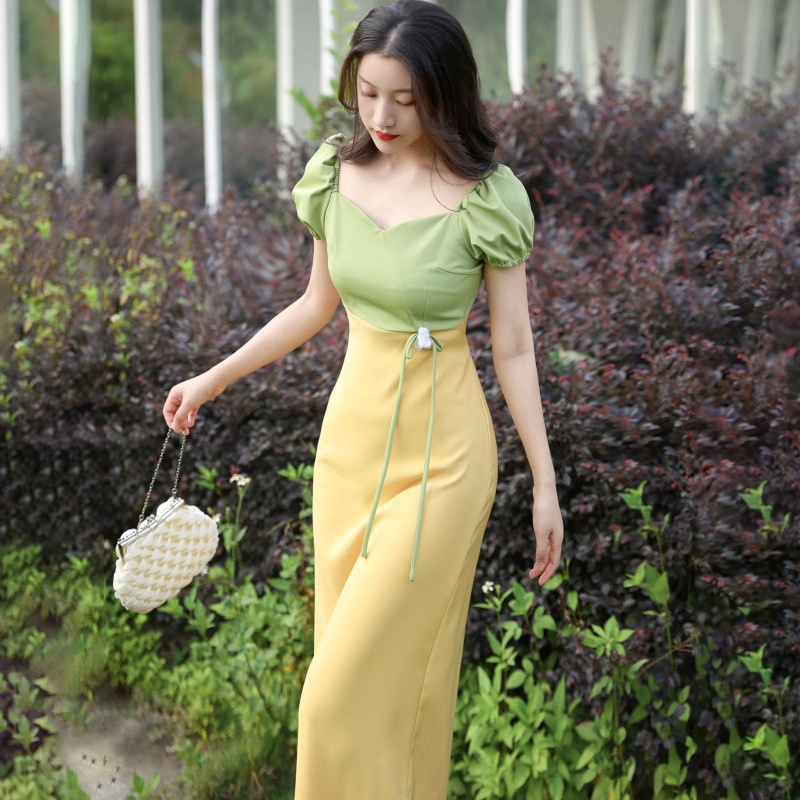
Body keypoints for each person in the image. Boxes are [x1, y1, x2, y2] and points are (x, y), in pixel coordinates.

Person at [163, 0, 563, 796]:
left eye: (405, 100)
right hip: (349, 453)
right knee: (378, 694)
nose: (381, 116)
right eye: (369, 93)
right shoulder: (335, 175)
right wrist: (213, 378)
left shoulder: (487, 196)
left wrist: (543, 484)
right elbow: (316, 304)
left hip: (447, 462)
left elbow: (514, 347)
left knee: (334, 701)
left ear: (444, 95)